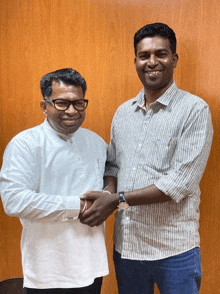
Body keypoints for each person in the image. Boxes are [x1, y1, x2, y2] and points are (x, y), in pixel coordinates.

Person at [79, 23, 213, 293]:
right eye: (144, 55)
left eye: (161, 54)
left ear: (174, 59)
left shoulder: (194, 110)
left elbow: (180, 183)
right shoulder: (123, 112)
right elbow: (113, 165)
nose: (152, 62)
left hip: (175, 249)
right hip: (127, 246)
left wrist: (116, 200)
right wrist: (106, 192)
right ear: (136, 61)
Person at [0, 68, 109, 294]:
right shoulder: (25, 144)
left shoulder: (97, 143)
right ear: (44, 106)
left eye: (79, 103)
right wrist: (76, 206)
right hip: (48, 270)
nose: (71, 111)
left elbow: (111, 180)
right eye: (61, 103)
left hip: (92, 265)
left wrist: (108, 197)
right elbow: (13, 200)